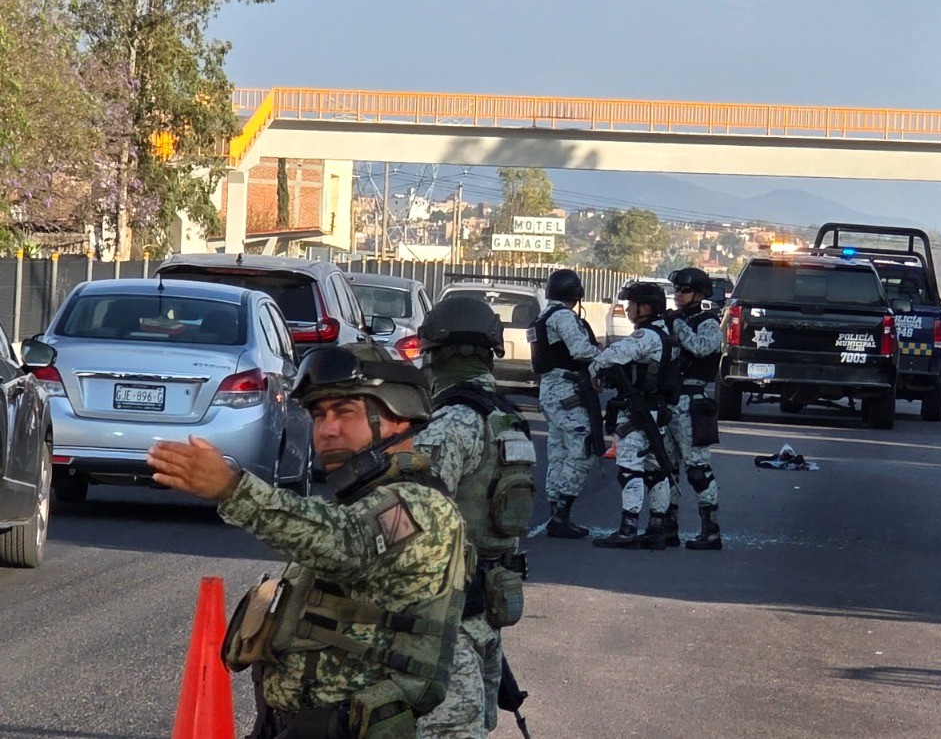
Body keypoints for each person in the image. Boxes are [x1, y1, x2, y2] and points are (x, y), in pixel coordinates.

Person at [147, 343, 469, 739]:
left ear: (397, 417)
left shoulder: (421, 507)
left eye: (345, 412)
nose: (327, 429)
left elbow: (345, 545)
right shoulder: (362, 502)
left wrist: (233, 489)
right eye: (319, 415)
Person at [413, 296, 540, 739]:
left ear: (435, 354)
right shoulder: (510, 422)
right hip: (490, 604)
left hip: (447, 616)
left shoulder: (452, 423)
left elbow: (411, 515)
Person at [588, 280, 678, 550]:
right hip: (654, 410)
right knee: (656, 470)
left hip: (637, 411)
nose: (627, 309)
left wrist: (595, 368)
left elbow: (613, 355)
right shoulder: (666, 332)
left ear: (646, 308)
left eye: (632, 305)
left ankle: (628, 528)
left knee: (629, 469)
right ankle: (657, 527)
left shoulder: (647, 336)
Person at [529, 268, 604, 539]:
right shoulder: (563, 317)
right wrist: (606, 356)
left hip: (550, 389)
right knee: (582, 449)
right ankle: (561, 515)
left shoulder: (541, 317)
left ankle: (556, 515)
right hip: (567, 390)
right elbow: (581, 350)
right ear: (577, 293)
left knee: (558, 451)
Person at [665, 267, 725, 550]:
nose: (679, 294)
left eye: (685, 290)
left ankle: (710, 530)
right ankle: (666, 525)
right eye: (677, 289)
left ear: (699, 293)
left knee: (698, 470)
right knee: (666, 469)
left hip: (693, 402)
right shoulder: (676, 319)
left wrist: (678, 327)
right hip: (670, 401)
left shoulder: (707, 322)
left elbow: (702, 348)